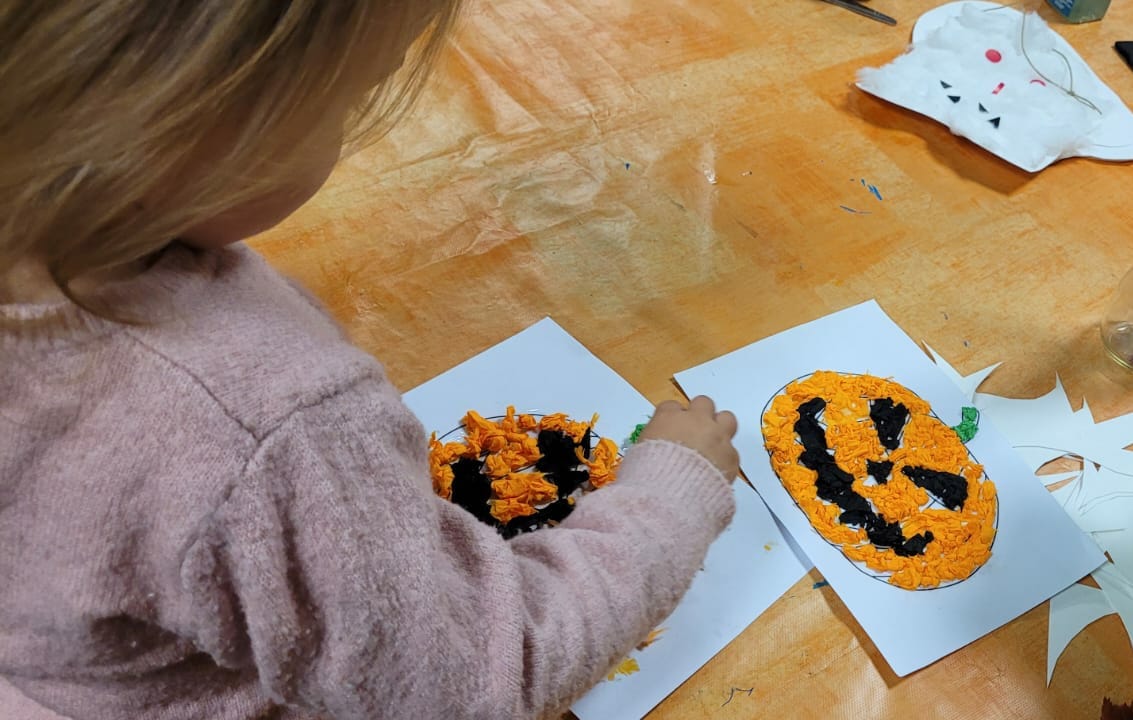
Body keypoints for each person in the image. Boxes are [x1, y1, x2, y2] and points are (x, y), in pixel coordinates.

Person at [0, 2, 741, 719]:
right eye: (353, 97)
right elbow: (482, 678)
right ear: (193, 115)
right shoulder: (263, 430)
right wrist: (673, 494)